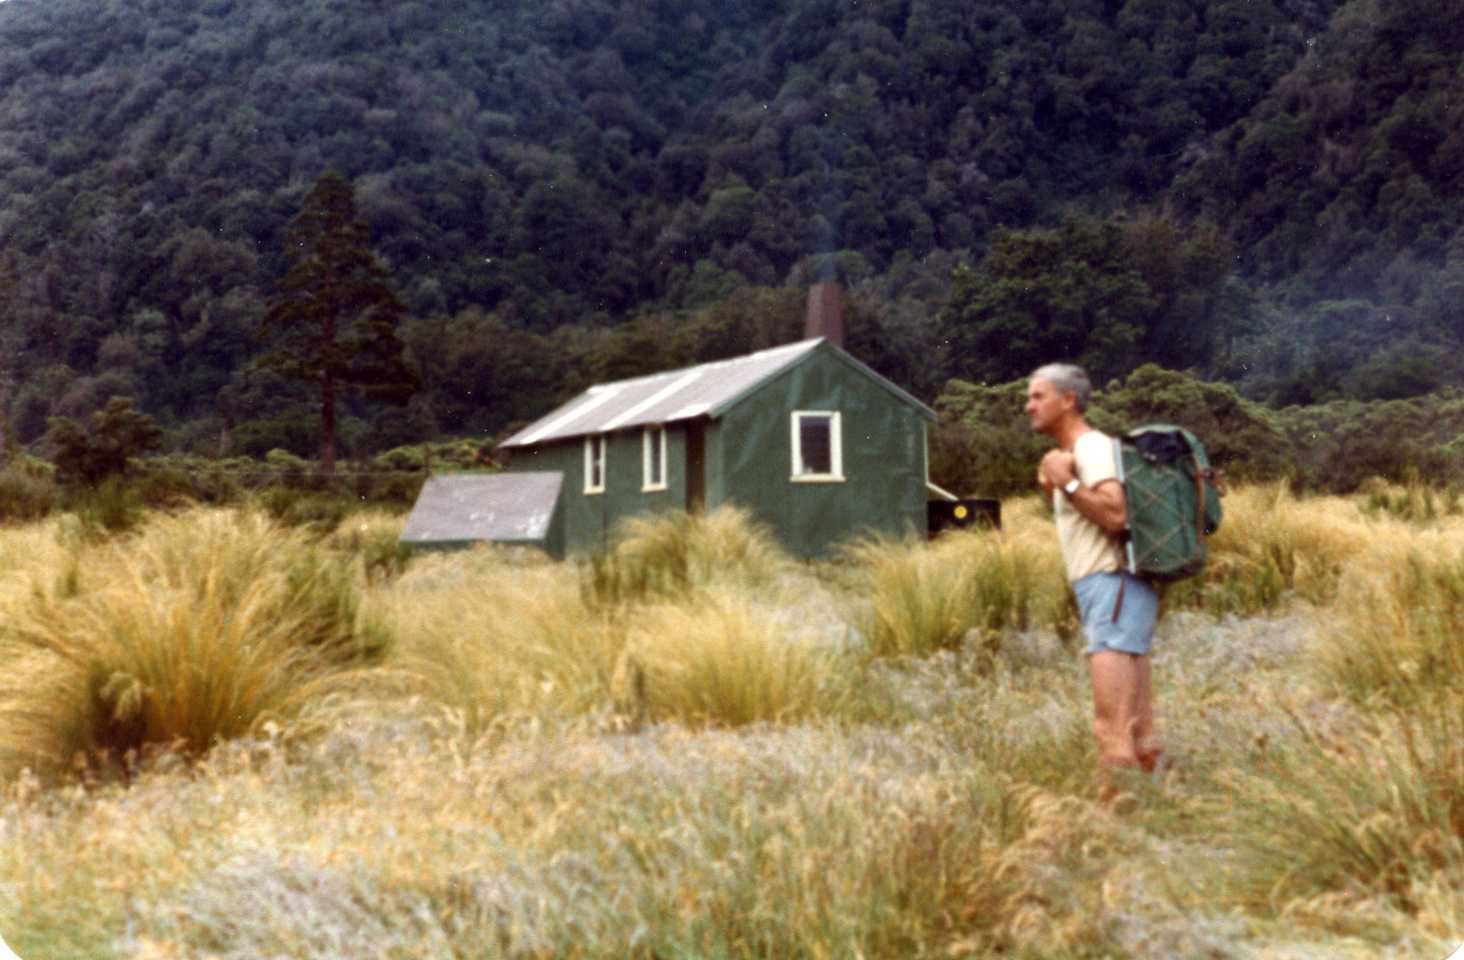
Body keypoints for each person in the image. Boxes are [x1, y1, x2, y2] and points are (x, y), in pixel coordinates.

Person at [1025, 363, 1162, 796]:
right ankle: (1155, 814)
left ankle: (1112, 829)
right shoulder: (1083, 451)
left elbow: (1116, 514)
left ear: (1068, 400)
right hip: (1115, 589)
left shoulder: (1093, 448)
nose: (1029, 406)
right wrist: (1057, 482)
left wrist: (1065, 484)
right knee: (1139, 729)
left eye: (1037, 396)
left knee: (1112, 729)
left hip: (1111, 584)